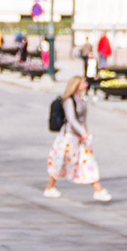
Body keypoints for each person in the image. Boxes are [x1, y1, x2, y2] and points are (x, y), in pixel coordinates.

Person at [44, 74, 111, 202]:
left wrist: (85, 134)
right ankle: (49, 187)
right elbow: (72, 119)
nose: (86, 85)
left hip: (79, 138)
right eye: (83, 83)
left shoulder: (81, 99)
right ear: (76, 85)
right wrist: (83, 132)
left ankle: (98, 190)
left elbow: (82, 120)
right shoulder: (69, 100)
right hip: (69, 137)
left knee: (88, 162)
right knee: (60, 162)